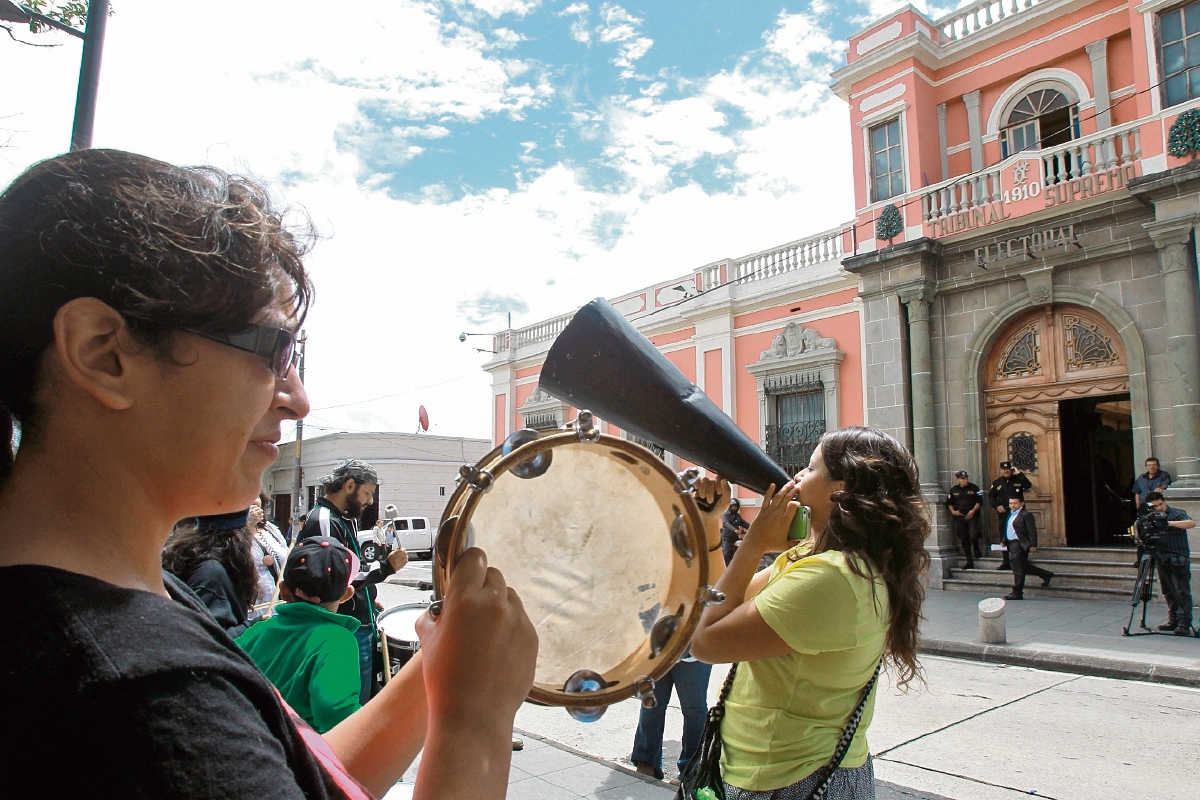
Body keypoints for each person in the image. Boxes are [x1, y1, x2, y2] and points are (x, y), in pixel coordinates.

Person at [0, 149, 537, 799]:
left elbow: (293, 777)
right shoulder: (132, 693)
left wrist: (441, 676)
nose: (298, 398)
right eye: (276, 351)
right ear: (103, 352)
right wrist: (475, 722)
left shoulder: (135, 600)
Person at [690, 427, 930, 800]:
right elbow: (720, 601)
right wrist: (709, 522)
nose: (797, 476)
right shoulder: (812, 559)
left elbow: (705, 641)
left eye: (811, 468)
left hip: (792, 777)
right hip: (774, 769)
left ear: (843, 488)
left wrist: (755, 543)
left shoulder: (833, 577)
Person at [299, 459, 408, 704]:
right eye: (367, 493)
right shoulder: (324, 520)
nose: (370, 501)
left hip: (360, 621)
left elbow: (352, 565)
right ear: (349, 485)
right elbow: (335, 576)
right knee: (352, 702)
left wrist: (368, 596)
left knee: (366, 696)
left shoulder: (344, 518)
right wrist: (386, 567)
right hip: (346, 626)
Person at [237, 537, 362, 733]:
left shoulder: (256, 632)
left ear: (284, 591)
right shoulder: (337, 641)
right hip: (298, 757)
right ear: (347, 594)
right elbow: (335, 712)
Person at [163, 510, 261, 637]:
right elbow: (209, 638)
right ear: (240, 537)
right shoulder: (211, 574)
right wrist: (255, 626)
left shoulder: (196, 557)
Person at [1142, 491, 1195, 635]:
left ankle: (1184, 623)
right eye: (1154, 506)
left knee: (1181, 591)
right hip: (1161, 557)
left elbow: (1191, 523)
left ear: (1163, 501)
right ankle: (1173, 620)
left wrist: (1168, 523)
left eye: (1160, 504)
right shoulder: (1150, 517)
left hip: (1178, 557)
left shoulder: (1177, 513)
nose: (1158, 508)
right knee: (1167, 591)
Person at [249, 491, 290, 621]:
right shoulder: (230, 533)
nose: (252, 502)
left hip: (279, 607)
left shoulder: (270, 529)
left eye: (255, 497)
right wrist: (246, 524)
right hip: (251, 612)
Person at [1002, 496, 1054, 600]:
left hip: (1020, 544)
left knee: (1017, 567)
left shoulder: (1026, 515)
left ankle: (1017, 592)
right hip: (1011, 544)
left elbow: (1032, 531)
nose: (1012, 505)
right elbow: (1008, 528)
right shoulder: (1010, 514)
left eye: (1015, 503)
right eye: (1011, 503)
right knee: (1023, 566)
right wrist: (1004, 540)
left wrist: (1033, 545)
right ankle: (1046, 574)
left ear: (1021, 504)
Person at [987, 462, 1031, 571]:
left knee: (1020, 534)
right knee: (1004, 535)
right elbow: (991, 497)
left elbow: (1028, 485)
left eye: (1008, 469)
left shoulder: (1018, 480)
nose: (1006, 471)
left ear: (1011, 469)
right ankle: (1006, 561)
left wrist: (1019, 474)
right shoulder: (997, 482)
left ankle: (1023, 559)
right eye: (1003, 469)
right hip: (1004, 512)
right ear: (1001, 470)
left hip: (1018, 513)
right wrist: (997, 506)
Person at [946, 470, 983, 569]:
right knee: (964, 538)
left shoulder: (973, 488)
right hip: (960, 517)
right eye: (962, 479)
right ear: (958, 479)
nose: (965, 480)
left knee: (974, 534)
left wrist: (973, 511)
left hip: (972, 516)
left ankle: (976, 547)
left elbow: (980, 501)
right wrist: (953, 512)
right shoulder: (954, 490)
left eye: (966, 478)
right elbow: (949, 503)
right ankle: (969, 560)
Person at [719, 497, 750, 565]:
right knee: (726, 553)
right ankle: (725, 568)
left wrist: (752, 528)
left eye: (735, 506)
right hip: (727, 538)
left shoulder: (737, 516)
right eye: (733, 506)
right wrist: (735, 530)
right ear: (730, 506)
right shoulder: (725, 515)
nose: (734, 508)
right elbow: (726, 523)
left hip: (735, 537)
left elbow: (743, 523)